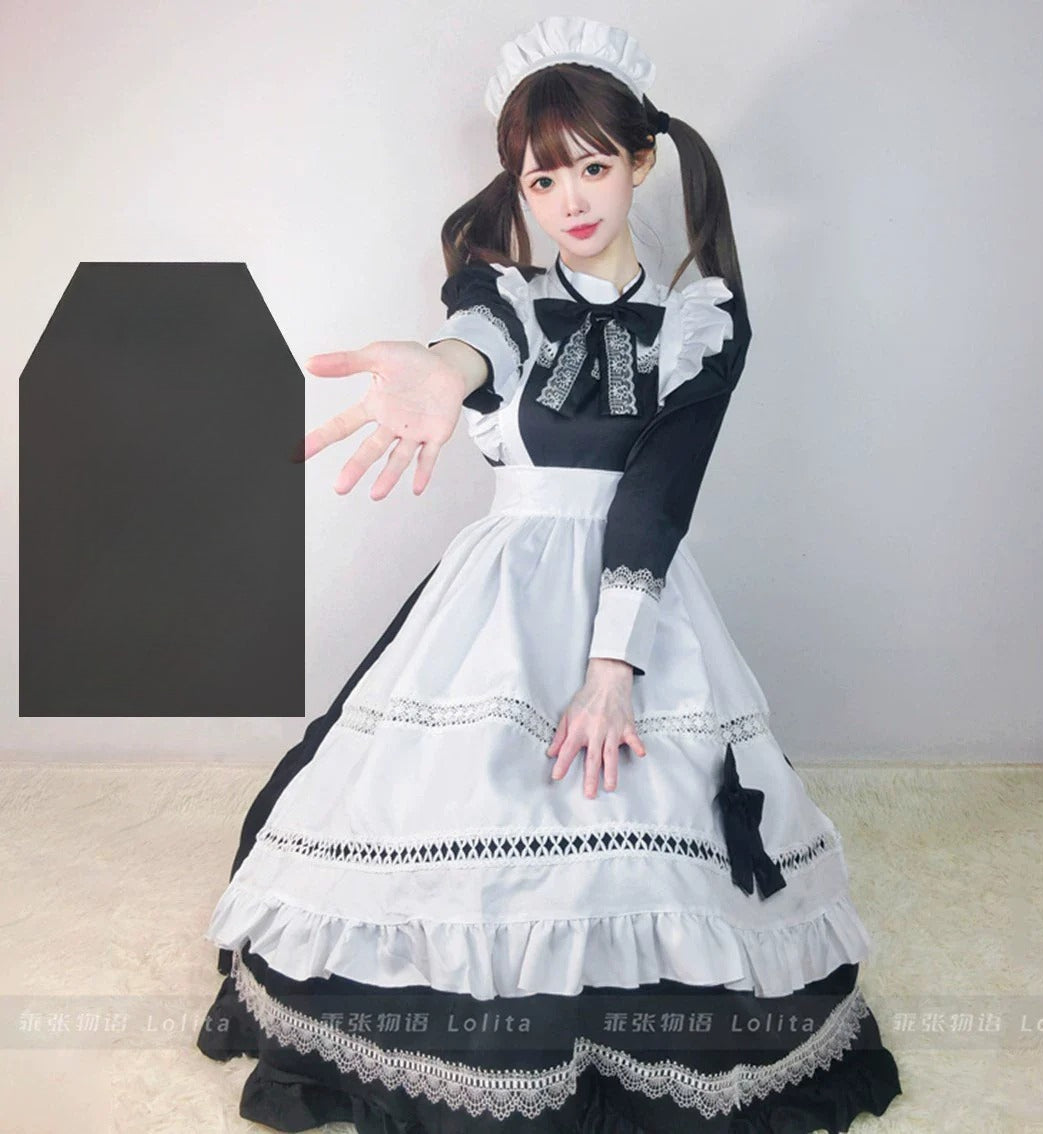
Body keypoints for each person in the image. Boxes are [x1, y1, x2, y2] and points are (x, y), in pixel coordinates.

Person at [196, 15, 903, 1132]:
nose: (569, 198)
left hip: (639, 593)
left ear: (641, 162)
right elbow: (477, 344)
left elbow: (657, 495)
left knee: (655, 825)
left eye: (592, 166)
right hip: (499, 597)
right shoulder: (507, 300)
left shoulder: (700, 323)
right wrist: (441, 371)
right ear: (518, 187)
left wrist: (612, 668)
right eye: (542, 177)